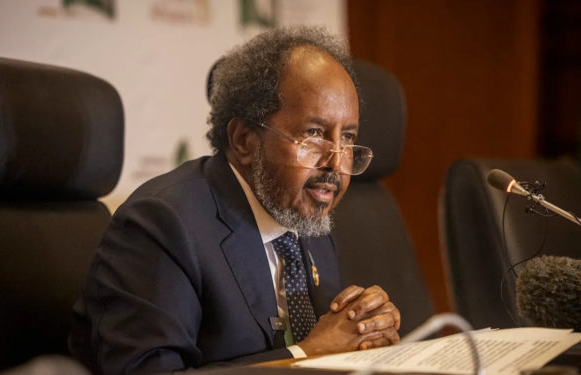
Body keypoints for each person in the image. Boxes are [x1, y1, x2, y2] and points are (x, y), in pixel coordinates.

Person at [69, 26, 401, 374]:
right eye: (313, 134)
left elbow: (331, 342)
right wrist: (305, 355)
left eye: (347, 138)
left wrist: (365, 331)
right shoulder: (163, 224)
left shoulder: (307, 220)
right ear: (244, 140)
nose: (336, 162)